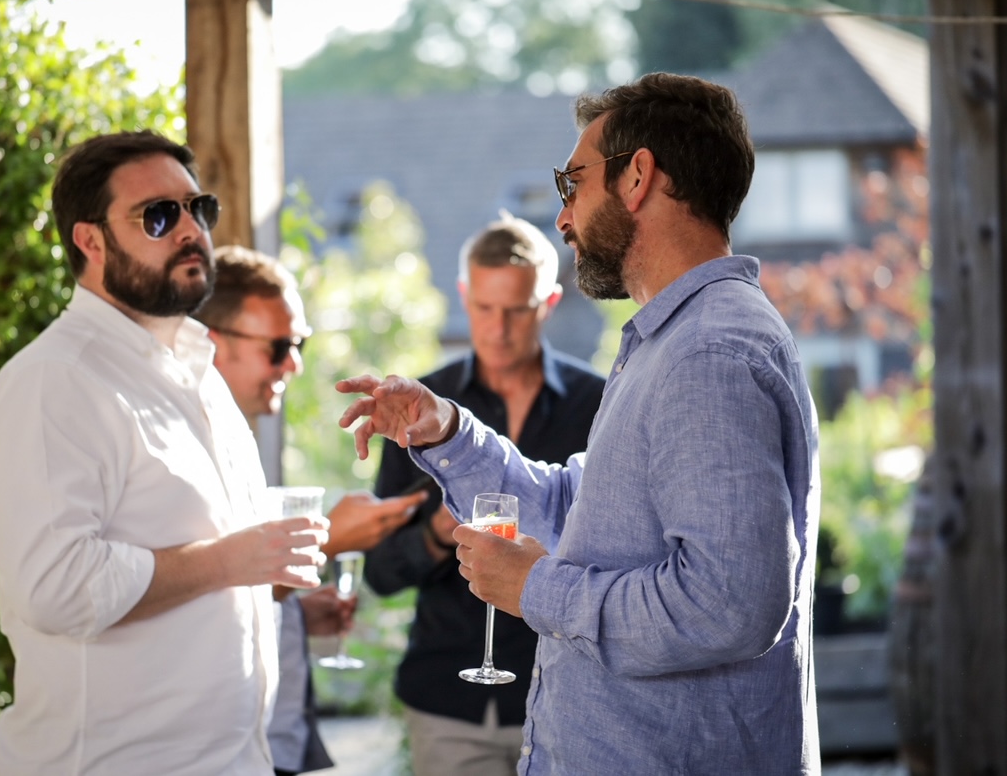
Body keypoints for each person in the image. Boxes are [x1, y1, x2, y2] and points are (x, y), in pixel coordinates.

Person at [336, 73, 822, 774]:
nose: (563, 217)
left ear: (638, 178)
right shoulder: (670, 342)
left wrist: (538, 590)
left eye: (572, 184)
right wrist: (444, 428)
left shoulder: (708, 352)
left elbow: (730, 605)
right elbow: (573, 510)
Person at [0, 130, 328, 775]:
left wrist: (263, 575)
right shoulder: (56, 380)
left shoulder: (196, 369)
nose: (190, 230)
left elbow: (196, 547)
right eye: (158, 216)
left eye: (199, 209)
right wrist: (229, 563)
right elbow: (56, 588)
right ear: (90, 241)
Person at [362, 212, 605, 775]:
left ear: (546, 304)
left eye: (516, 310)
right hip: (449, 698)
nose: (498, 329)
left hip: (563, 692)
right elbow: (379, 572)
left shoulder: (598, 405)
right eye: (484, 309)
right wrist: (436, 533)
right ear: (465, 297)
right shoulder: (421, 407)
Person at [195, 245, 424, 776]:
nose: (294, 363)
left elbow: (227, 586)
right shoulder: (184, 449)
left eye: (299, 344)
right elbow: (183, 591)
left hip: (273, 741)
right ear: (211, 344)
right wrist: (329, 541)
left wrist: (292, 611)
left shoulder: (238, 436)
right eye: (278, 346)